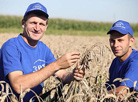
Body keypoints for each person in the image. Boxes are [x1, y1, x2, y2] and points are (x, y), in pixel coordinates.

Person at [0, 2, 85, 101]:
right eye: (33, 23)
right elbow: (18, 85)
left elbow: (61, 74)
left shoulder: (43, 48)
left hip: (36, 99)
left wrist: (73, 75)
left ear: (46, 27)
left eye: (41, 24)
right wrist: (57, 64)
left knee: (75, 90)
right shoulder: (11, 47)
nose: (37, 28)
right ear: (23, 23)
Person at [106, 20, 138, 98]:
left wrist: (98, 96)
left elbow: (121, 92)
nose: (115, 45)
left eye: (120, 40)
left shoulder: (136, 61)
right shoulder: (115, 62)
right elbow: (112, 88)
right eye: (113, 41)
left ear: (131, 41)